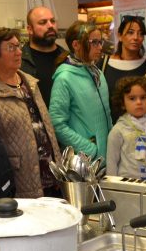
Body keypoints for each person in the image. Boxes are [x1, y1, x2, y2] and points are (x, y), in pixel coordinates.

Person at [0, 27, 60, 198]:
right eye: (11, 48)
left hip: (51, 174)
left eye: (18, 46)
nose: (19, 52)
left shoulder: (30, 82)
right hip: (19, 179)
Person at [48, 21, 112, 162]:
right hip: (84, 161)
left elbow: (106, 116)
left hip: (106, 157)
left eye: (100, 42)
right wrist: (89, 150)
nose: (100, 47)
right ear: (76, 45)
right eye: (94, 43)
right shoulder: (64, 78)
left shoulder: (97, 73)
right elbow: (57, 124)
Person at [102, 15, 146, 121]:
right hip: (111, 127)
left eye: (140, 33)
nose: (136, 37)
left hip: (143, 128)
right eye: (130, 32)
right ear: (120, 36)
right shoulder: (103, 64)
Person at [20, 6, 66, 106]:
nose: (50, 26)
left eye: (52, 21)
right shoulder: (19, 60)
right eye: (43, 22)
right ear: (30, 29)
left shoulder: (68, 59)